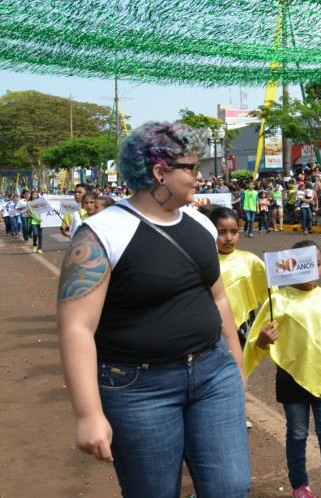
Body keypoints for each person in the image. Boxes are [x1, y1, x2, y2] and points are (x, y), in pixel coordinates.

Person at [56, 121, 250, 497]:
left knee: (230, 488)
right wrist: (88, 413)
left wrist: (236, 367)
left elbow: (219, 297)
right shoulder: (101, 233)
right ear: (160, 172)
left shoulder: (200, 225)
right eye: (191, 168)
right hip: (138, 389)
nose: (198, 176)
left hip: (214, 375)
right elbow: (76, 326)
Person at [245, 240, 321, 498]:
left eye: (315, 264)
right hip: (291, 376)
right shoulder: (278, 299)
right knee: (296, 433)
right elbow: (256, 342)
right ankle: (300, 486)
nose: (311, 270)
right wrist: (262, 340)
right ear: (290, 268)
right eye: (304, 265)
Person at [207, 206, 269, 346]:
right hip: (213, 326)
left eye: (234, 232)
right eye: (221, 232)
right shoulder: (205, 261)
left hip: (244, 323)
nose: (229, 238)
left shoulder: (250, 260)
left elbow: (271, 295)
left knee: (242, 361)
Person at [26, 189, 43, 253]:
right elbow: (28, 213)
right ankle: (35, 245)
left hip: (41, 221)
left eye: (36, 194)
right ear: (31, 195)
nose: (35, 196)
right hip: (34, 221)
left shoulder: (40, 202)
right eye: (33, 194)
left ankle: (40, 248)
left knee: (40, 235)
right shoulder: (29, 203)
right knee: (35, 234)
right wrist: (36, 218)